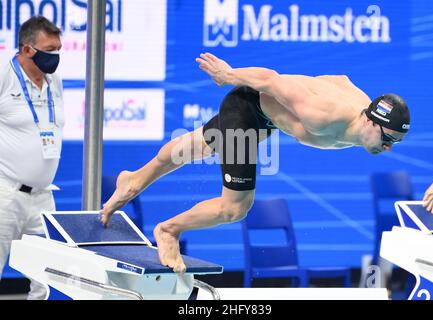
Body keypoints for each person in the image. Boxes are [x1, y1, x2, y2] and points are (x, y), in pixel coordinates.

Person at [100, 52, 411, 273]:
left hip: (263, 118)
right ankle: (168, 231)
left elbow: (339, 78)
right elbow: (270, 79)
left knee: (194, 147)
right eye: (388, 141)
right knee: (235, 207)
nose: (388, 149)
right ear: (372, 123)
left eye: (394, 143)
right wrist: (227, 74)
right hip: (247, 110)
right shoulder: (323, 112)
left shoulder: (363, 114)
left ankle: (134, 179)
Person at [0, 16, 64, 299]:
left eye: (58, 49)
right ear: (27, 49)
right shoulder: (4, 75)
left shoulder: (54, 81)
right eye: (49, 50)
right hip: (6, 193)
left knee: (48, 276)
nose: (56, 57)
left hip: (43, 196)